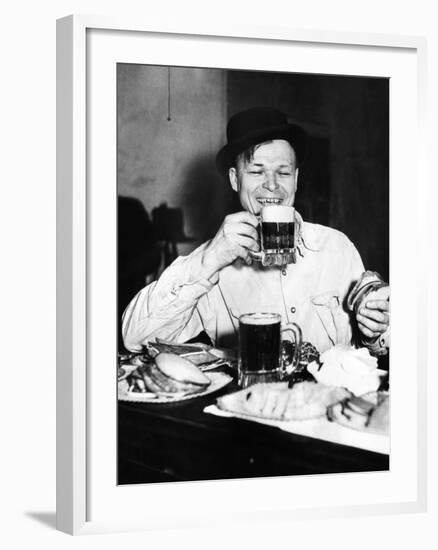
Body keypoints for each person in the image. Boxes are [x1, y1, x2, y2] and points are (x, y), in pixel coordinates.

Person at [122, 107, 389, 356]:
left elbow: (377, 346)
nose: (272, 185)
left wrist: (373, 330)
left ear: (296, 179)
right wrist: (208, 260)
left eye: (283, 173)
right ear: (235, 179)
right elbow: (134, 339)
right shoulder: (212, 262)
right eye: (257, 171)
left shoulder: (336, 247)